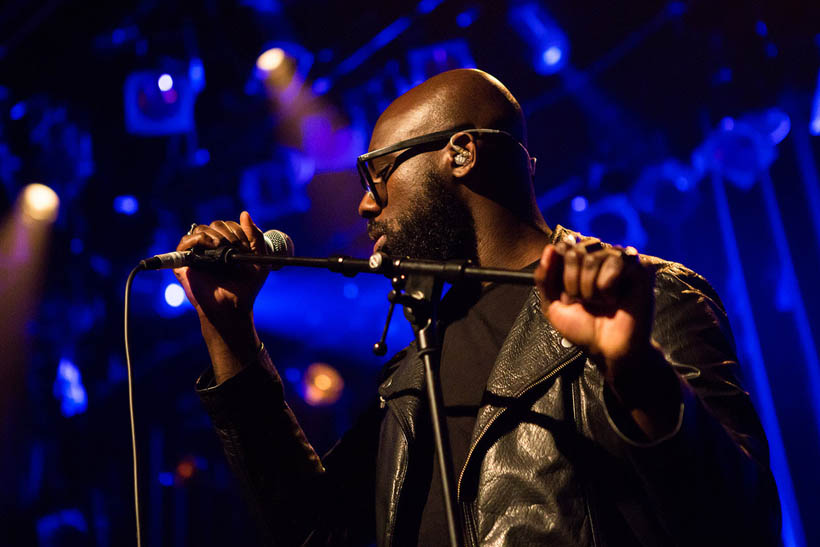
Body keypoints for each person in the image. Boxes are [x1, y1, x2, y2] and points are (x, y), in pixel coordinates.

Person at [174, 69, 781, 546]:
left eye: (377, 173)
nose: (364, 206)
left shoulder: (646, 299)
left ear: (460, 153)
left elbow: (742, 527)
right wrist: (230, 336)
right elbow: (310, 530)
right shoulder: (415, 372)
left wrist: (639, 373)